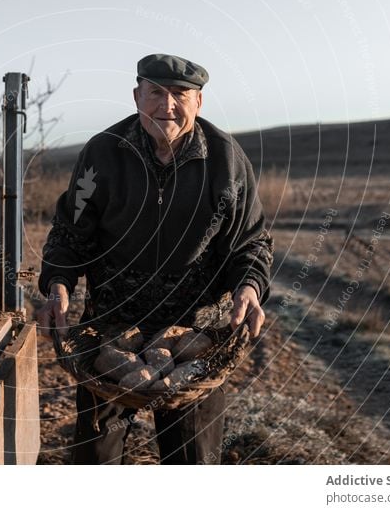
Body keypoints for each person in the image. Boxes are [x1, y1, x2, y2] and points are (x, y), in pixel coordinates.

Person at [36, 53, 274, 464]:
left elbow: (249, 243)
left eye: (181, 94)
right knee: (94, 461)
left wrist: (249, 287)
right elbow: (70, 234)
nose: (167, 105)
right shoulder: (103, 154)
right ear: (136, 96)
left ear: (199, 102)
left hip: (193, 338)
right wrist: (58, 284)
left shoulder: (226, 160)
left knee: (192, 463)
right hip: (110, 331)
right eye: (155, 93)